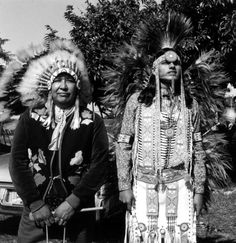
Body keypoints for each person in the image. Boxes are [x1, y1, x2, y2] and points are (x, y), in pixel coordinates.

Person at [4, 39, 109, 242]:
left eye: (68, 80)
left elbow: (100, 165)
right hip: (36, 213)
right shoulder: (31, 117)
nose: (63, 86)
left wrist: (73, 201)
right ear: (49, 85)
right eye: (57, 80)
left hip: (77, 212)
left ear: (77, 85)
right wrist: (35, 203)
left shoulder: (92, 121)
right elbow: (17, 161)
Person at [115, 13, 207, 242]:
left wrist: (200, 190)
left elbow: (198, 148)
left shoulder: (190, 105)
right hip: (144, 186)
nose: (173, 66)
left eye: (176, 62)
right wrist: (123, 185)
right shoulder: (138, 101)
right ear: (155, 67)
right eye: (166, 62)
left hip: (181, 185)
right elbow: (123, 144)